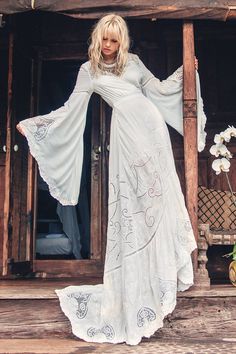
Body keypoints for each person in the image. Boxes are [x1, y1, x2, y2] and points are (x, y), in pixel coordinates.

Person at [17, 14, 206, 345]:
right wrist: (36, 125)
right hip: (125, 134)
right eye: (104, 39)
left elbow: (158, 90)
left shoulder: (133, 62)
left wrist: (185, 72)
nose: (108, 46)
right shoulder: (88, 70)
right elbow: (69, 109)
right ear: (96, 38)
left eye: (114, 40)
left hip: (152, 131)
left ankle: (161, 271)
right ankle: (135, 281)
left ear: (122, 42)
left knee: (157, 200)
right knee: (132, 206)